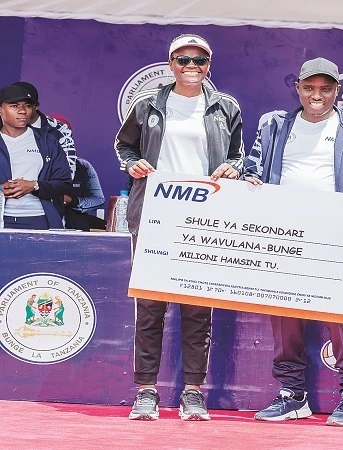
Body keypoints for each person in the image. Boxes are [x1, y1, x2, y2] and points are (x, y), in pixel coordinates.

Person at [243, 57, 343, 427]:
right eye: (310, 88)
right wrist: (250, 184)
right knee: (285, 317)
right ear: (298, 88)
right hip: (282, 234)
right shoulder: (275, 125)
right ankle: (292, 395)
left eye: (325, 89)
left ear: (337, 91)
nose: (317, 95)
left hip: (336, 236)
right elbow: (252, 170)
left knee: (340, 319)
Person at [115, 33, 244, 421]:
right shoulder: (148, 104)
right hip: (156, 213)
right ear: (171, 63)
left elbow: (238, 154)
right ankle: (146, 390)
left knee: (197, 306)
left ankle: (192, 391)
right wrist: (131, 164)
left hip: (205, 216)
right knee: (151, 306)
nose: (192, 67)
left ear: (209, 64)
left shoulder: (225, 107)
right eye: (184, 60)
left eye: (199, 60)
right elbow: (126, 147)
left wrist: (234, 168)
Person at [0, 83, 71, 230]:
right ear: (0, 110)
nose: (22, 111)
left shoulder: (48, 141)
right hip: (2, 219)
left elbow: (64, 183)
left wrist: (34, 185)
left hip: (39, 219)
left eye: (27, 106)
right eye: (14, 106)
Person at [44, 114, 106, 231]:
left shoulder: (83, 166)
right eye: (54, 135)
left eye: (65, 135)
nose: (60, 140)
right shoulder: (31, 163)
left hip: (77, 233)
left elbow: (98, 200)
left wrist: (73, 201)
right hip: (41, 229)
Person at [12, 82, 77, 179]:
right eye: (14, 105)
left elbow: (67, 174)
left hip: (43, 192)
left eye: (26, 105)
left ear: (36, 106)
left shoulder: (59, 129)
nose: (20, 110)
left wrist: (35, 187)